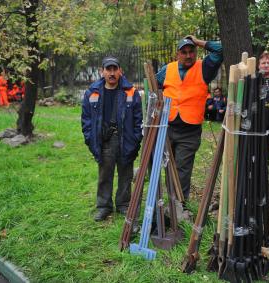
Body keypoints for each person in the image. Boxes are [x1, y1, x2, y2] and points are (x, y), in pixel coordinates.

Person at [156, 35, 223, 200]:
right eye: (183, 52)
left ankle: (179, 204)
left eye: (191, 51)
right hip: (168, 126)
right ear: (177, 54)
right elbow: (154, 85)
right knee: (166, 166)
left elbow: (220, 50)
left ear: (196, 52)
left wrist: (198, 41)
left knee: (182, 169)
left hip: (189, 131)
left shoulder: (204, 68)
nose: (187, 55)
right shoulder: (167, 69)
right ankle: (167, 204)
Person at [81, 56, 143, 221]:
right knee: (104, 175)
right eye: (108, 69)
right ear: (102, 72)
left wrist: (136, 139)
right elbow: (86, 120)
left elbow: (139, 120)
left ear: (120, 71)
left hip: (126, 139)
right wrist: (90, 138)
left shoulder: (131, 92)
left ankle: (123, 205)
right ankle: (103, 206)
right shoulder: (92, 93)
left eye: (115, 69)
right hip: (105, 141)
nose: (112, 73)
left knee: (126, 175)